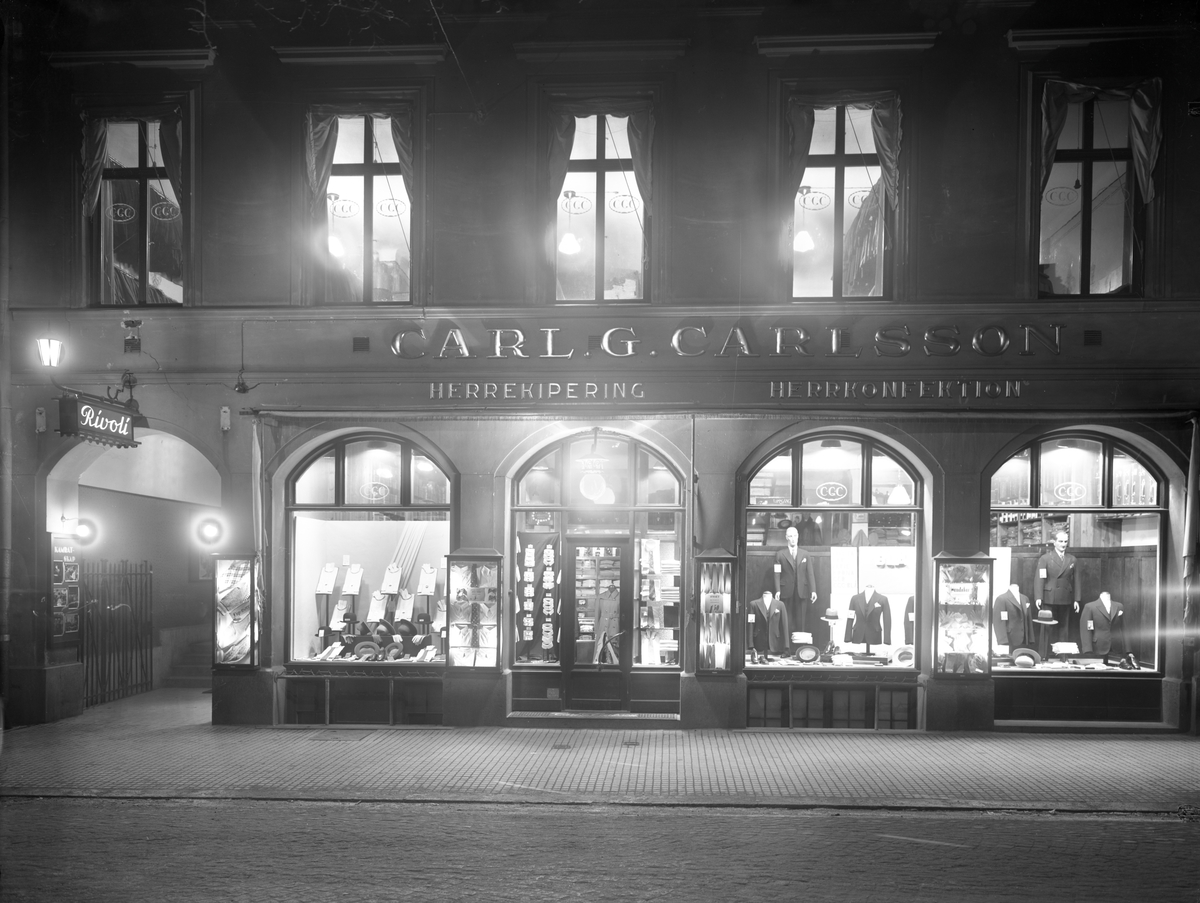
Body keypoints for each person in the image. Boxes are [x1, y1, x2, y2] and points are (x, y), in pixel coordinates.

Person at [1033, 530, 1080, 644]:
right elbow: (1039, 578)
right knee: (1047, 627)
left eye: (1065, 541)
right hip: (1049, 597)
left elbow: (1077, 580)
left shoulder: (1072, 559)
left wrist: (1077, 599)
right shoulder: (1045, 558)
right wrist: (1038, 597)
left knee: (1064, 628)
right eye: (1060, 541)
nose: (1063, 544)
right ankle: (1045, 653)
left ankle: (1062, 653)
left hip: (1065, 597)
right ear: (1054, 542)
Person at [774, 526, 817, 642]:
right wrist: (777, 590)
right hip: (786, 591)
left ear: (798, 536)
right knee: (786, 619)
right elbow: (777, 574)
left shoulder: (805, 554)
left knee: (801, 620)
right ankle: (786, 646)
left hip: (802, 591)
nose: (793, 539)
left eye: (795, 536)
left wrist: (813, 590)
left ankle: (800, 646)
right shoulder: (780, 554)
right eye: (790, 536)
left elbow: (810, 573)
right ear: (786, 538)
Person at [1079, 590, 1128, 657]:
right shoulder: (1090, 607)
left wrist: (1128, 650)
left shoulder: (1119, 606)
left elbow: (1124, 627)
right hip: (1098, 646)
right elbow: (1086, 629)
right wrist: (1087, 648)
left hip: (1116, 647)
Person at [748, 586, 789, 657]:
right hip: (758, 641)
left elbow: (784, 625)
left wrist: (786, 646)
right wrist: (750, 644)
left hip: (775, 641)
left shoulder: (780, 605)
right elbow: (750, 624)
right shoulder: (753, 604)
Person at [992, 583, 1033, 651]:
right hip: (1010, 637)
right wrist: (1002, 639)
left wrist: (1030, 638)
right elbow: (998, 622)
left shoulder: (1025, 599)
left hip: (1024, 638)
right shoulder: (1001, 599)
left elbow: (1028, 619)